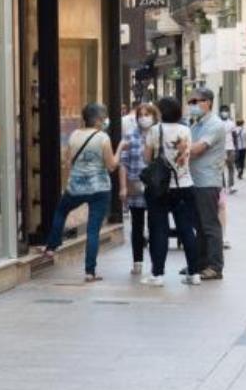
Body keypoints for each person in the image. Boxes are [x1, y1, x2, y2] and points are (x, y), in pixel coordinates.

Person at [42, 103, 121, 282]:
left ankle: (51, 247)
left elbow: (67, 161)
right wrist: (120, 151)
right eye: (104, 118)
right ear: (100, 119)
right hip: (99, 189)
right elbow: (111, 166)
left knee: (61, 211)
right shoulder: (103, 138)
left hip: (76, 187)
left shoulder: (74, 135)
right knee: (93, 230)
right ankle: (89, 272)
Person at [144, 97, 203, 285]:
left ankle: (158, 275)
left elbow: (147, 159)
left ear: (161, 112)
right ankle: (194, 273)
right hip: (185, 185)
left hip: (160, 188)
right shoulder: (186, 130)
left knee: (159, 230)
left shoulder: (154, 130)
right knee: (187, 230)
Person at [187, 87, 227, 280]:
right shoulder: (196, 124)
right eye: (190, 102)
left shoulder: (215, 124)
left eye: (196, 102)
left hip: (208, 181)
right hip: (195, 180)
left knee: (210, 225)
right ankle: (200, 264)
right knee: (199, 225)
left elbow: (198, 149)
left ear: (208, 102)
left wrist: (180, 148)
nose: (192, 106)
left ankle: (215, 266)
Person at [119, 102, 161, 277]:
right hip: (136, 185)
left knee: (155, 226)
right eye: (140, 115)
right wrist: (122, 187)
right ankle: (137, 261)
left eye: (147, 114)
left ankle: (156, 264)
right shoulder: (130, 136)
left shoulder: (160, 134)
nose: (144, 118)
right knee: (137, 225)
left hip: (155, 187)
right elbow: (123, 163)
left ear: (154, 116)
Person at [220, 106, 238, 193]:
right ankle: (222, 187)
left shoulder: (231, 123)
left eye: (226, 111)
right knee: (221, 169)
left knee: (231, 167)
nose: (224, 112)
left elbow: (235, 136)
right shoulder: (218, 123)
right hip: (220, 149)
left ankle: (230, 186)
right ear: (220, 112)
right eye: (223, 111)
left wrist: (236, 147)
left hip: (230, 148)